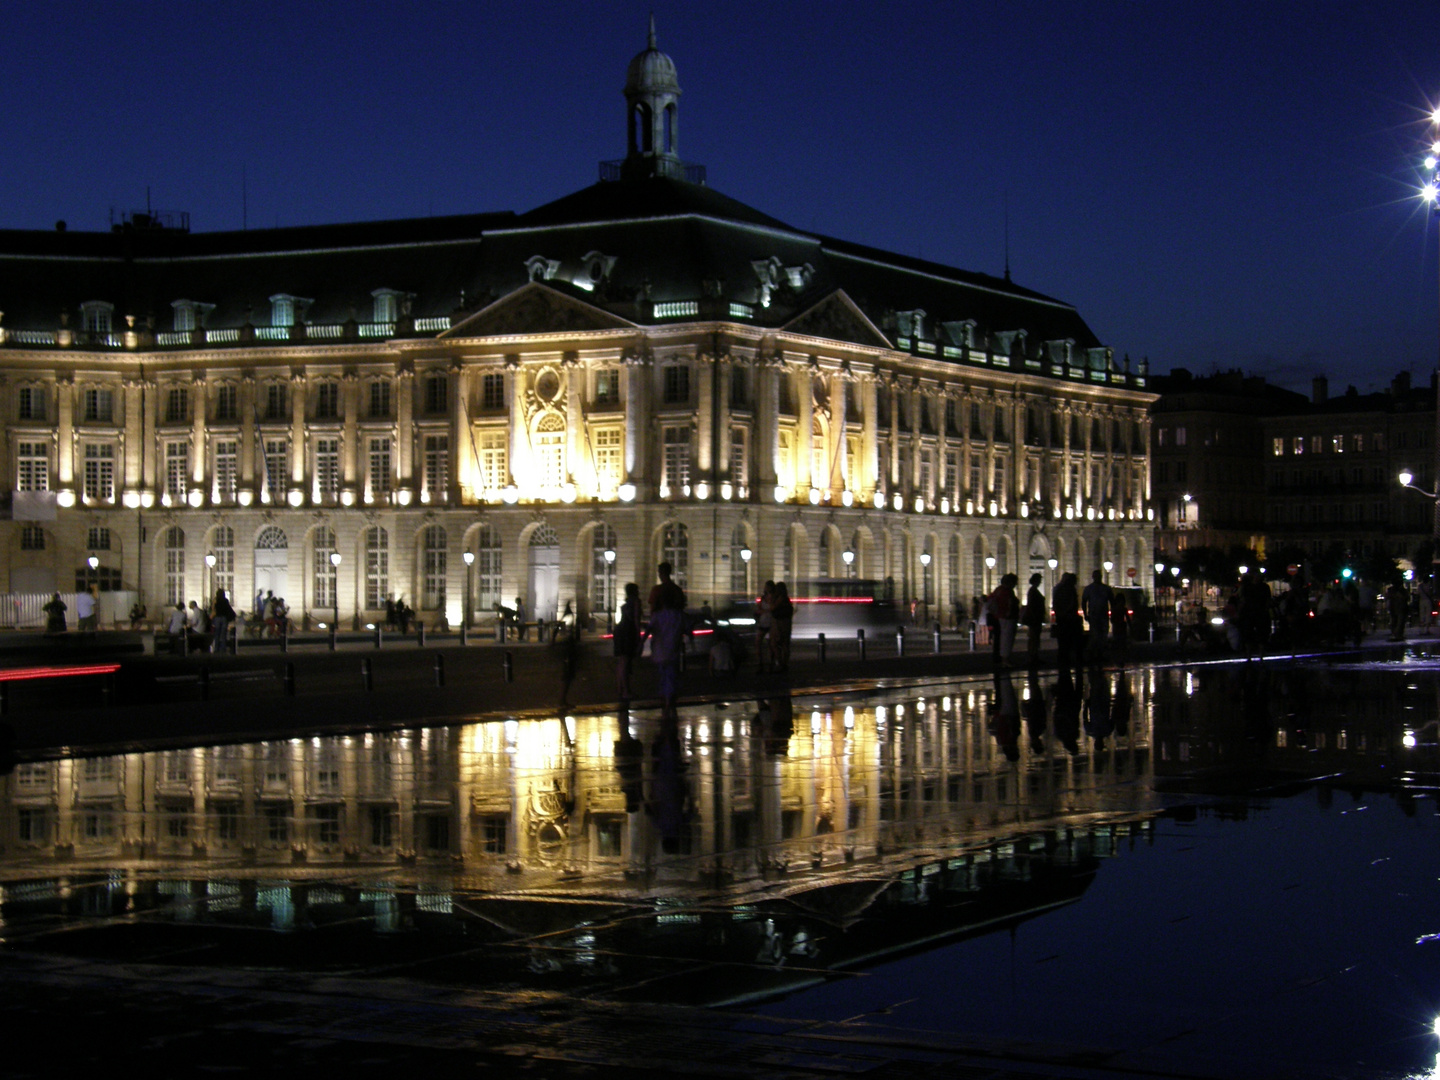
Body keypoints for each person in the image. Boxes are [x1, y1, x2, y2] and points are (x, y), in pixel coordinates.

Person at [645, 584, 686, 720]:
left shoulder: (658, 615)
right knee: (671, 675)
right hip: (673, 649)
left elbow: (649, 630)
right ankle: (669, 700)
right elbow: (682, 628)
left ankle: (665, 699)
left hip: (660, 650)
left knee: (664, 674)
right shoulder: (677, 615)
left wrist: (640, 644)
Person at [613, 583, 641, 702]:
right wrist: (639, 636)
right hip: (628, 632)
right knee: (625, 662)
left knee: (621, 662)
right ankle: (626, 691)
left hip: (620, 630)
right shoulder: (636, 602)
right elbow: (636, 620)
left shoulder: (625, 605)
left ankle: (620, 689)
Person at [1051, 572, 1083, 671]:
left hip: (1062, 618)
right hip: (1069, 618)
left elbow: (1055, 603)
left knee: (1063, 642)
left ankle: (1063, 660)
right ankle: (1071, 660)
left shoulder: (1059, 589)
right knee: (1070, 640)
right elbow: (1072, 604)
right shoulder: (1069, 590)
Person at [1081, 570, 1112, 664]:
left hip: (1101, 615)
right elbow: (1084, 601)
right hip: (1095, 615)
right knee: (1096, 636)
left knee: (1102, 636)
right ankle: (1095, 655)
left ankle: (1099, 654)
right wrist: (1085, 614)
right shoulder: (1094, 589)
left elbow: (1112, 601)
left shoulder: (1103, 589)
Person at [1021, 573, 1046, 666]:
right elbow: (1032, 605)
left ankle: (1034, 656)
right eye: (1039, 580)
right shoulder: (1033, 591)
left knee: (1034, 638)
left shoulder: (1033, 590)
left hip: (1035, 617)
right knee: (1034, 638)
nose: (1040, 582)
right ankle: (1032, 657)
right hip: (1035, 618)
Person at [770, 581, 795, 672]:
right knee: (785, 644)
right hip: (786, 623)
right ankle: (783, 663)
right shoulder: (786, 598)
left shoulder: (780, 598)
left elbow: (772, 607)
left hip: (780, 623)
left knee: (776, 643)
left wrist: (772, 600)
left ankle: (781, 663)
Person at [755, 581, 775, 672]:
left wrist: (764, 611)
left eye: (767, 587)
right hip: (763, 622)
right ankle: (760, 663)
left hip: (771, 623)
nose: (766, 588)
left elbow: (772, 609)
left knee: (771, 644)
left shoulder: (774, 597)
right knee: (758, 642)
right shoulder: (763, 597)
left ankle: (771, 663)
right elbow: (759, 609)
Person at [211, 588, 236, 654]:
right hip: (224, 618)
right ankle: (223, 648)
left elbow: (213, 610)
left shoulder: (215, 600)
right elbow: (228, 609)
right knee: (223, 634)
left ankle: (216, 648)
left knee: (217, 634)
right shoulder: (225, 600)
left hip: (217, 618)